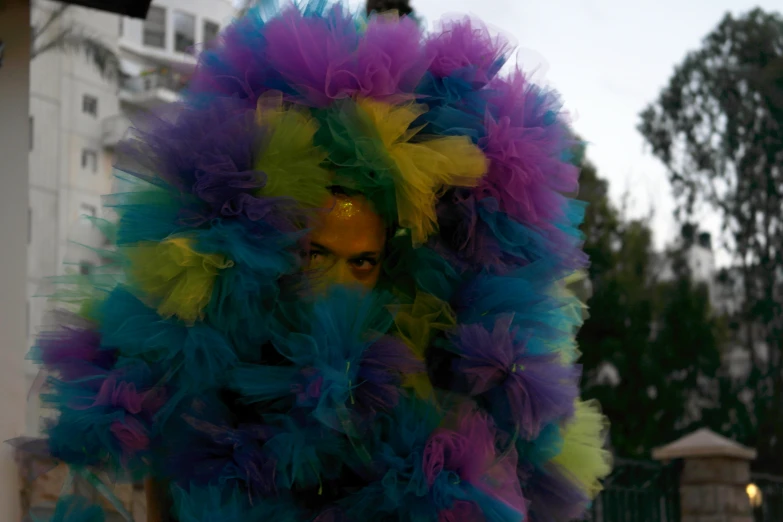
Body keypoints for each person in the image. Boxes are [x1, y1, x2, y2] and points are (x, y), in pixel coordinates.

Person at [30, 3, 612, 521]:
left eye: (362, 263)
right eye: (317, 255)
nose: (336, 285)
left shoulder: (420, 387)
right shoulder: (209, 370)